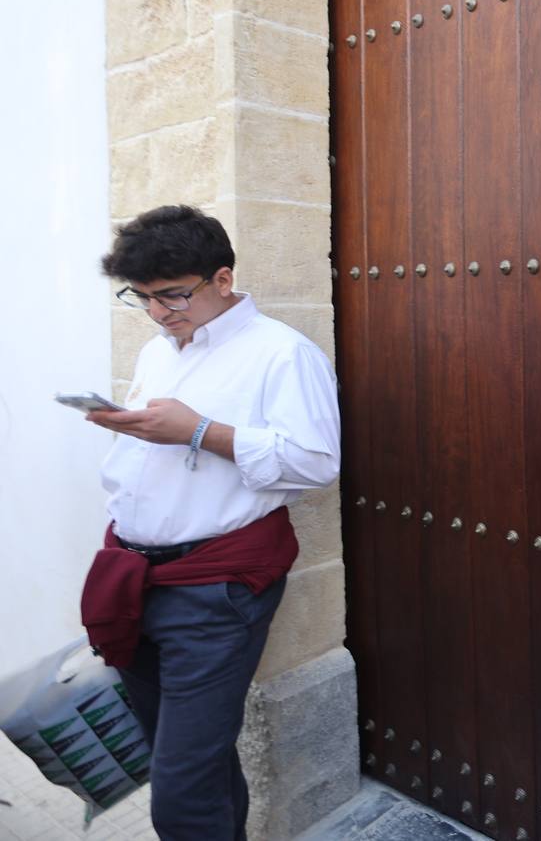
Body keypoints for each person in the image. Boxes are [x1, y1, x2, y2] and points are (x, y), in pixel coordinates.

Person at [78, 205, 340, 841]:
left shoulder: (281, 354)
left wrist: (198, 431)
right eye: (141, 298)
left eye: (172, 295)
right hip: (136, 578)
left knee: (181, 794)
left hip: (214, 591)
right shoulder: (157, 351)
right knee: (191, 758)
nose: (159, 312)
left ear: (222, 279)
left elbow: (315, 461)